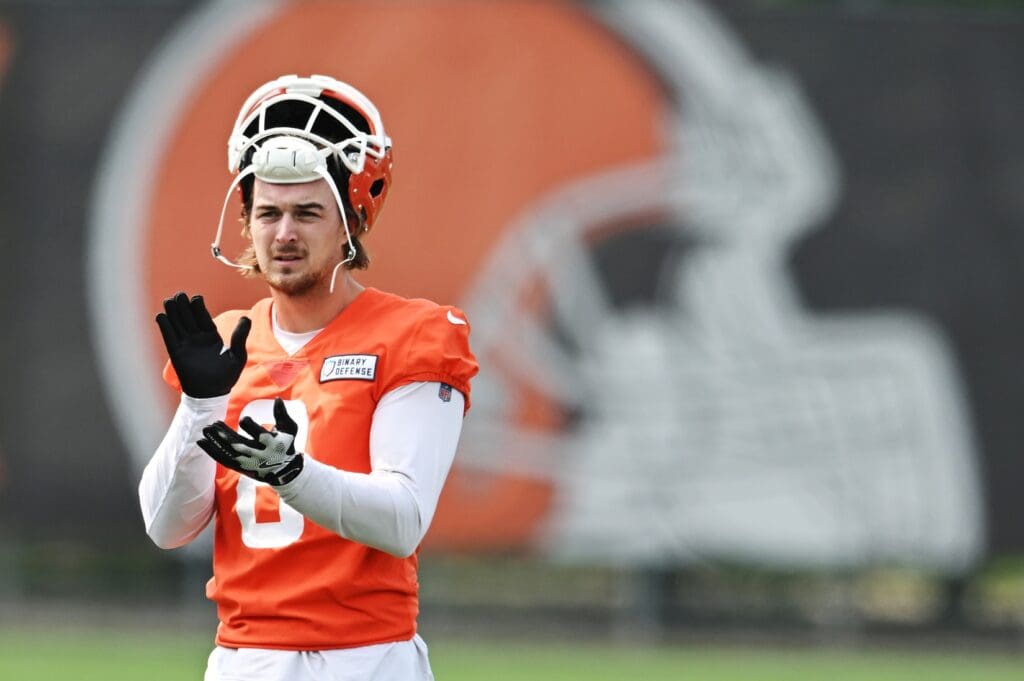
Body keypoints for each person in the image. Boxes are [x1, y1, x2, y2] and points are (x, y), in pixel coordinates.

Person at [138, 74, 478, 681]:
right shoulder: (225, 342)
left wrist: (292, 474)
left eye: (307, 212)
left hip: (368, 658)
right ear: (246, 220)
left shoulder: (414, 334)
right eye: (267, 212)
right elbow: (165, 526)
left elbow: (402, 521)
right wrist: (200, 404)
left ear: (352, 219)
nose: (284, 233)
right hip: (244, 660)